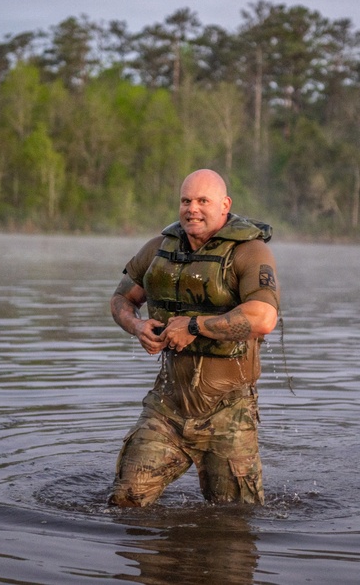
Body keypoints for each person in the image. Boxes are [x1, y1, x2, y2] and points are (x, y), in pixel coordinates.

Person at [108, 169, 280, 507]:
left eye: (203, 201)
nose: (192, 209)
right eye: (186, 201)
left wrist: (193, 326)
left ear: (225, 204)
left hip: (228, 412)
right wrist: (137, 326)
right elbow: (120, 300)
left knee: (235, 522)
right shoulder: (159, 248)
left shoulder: (249, 252)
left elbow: (264, 318)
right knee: (125, 504)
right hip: (167, 408)